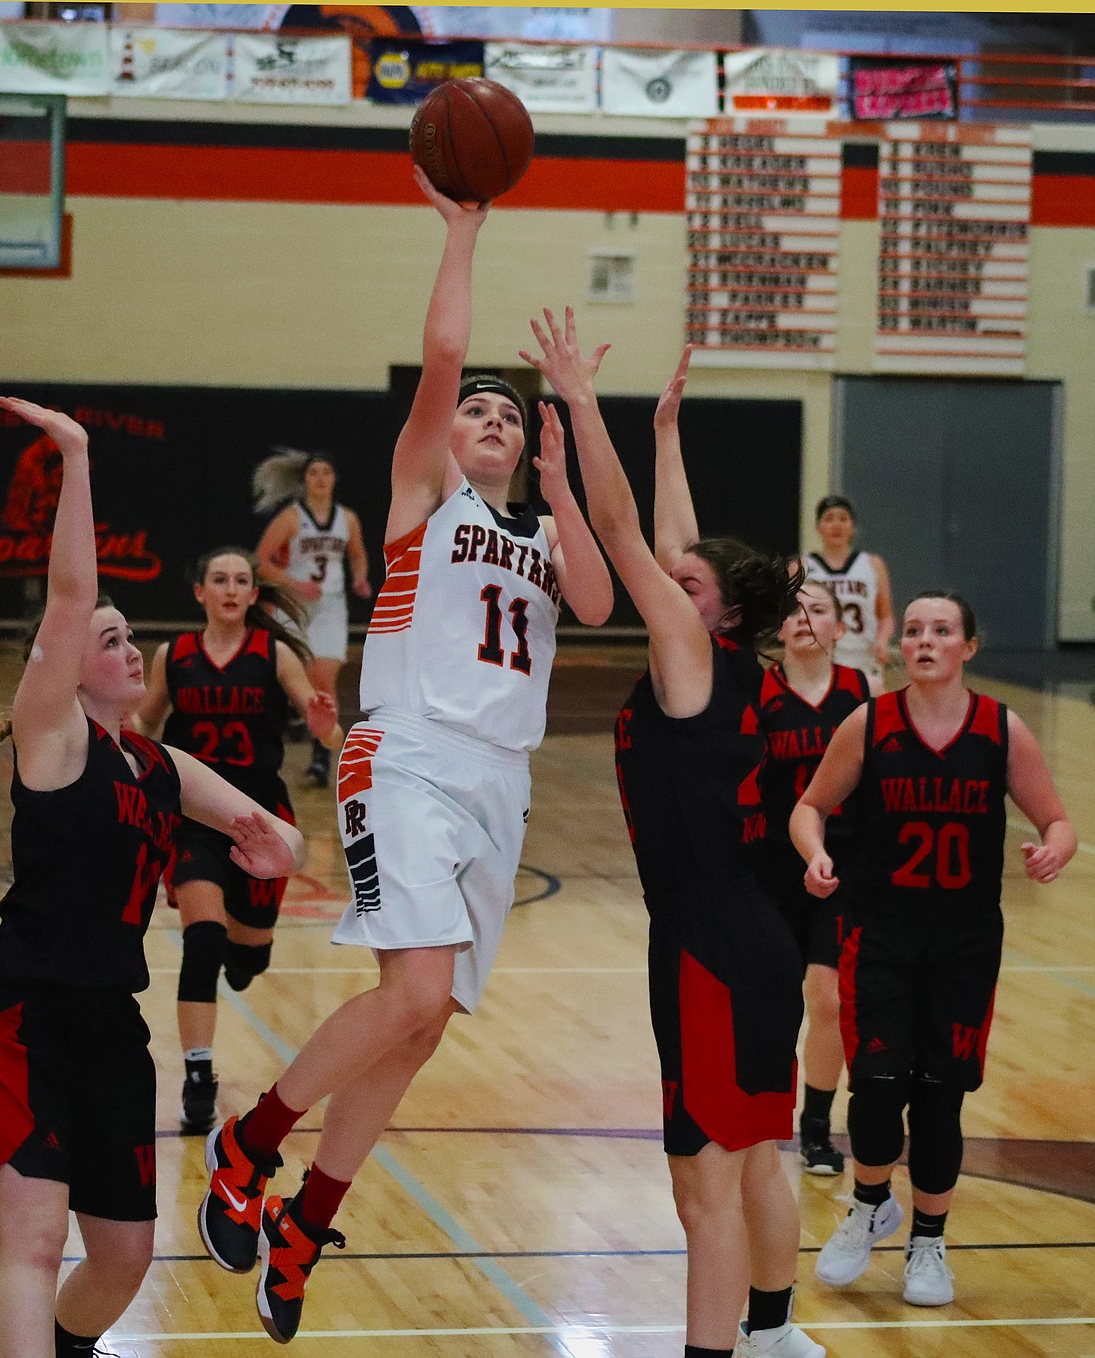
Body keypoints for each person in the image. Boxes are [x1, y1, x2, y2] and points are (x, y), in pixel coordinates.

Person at [197, 169, 614, 1345]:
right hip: (410, 750)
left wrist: (565, 468)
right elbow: (441, 359)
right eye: (478, 411)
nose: (487, 418)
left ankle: (305, 1215)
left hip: (502, 779)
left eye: (506, 414)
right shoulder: (426, 496)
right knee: (417, 990)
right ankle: (250, 1145)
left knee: (419, 1020)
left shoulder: (536, 523)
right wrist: (463, 234)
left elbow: (589, 601)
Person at [0, 399, 306, 1358]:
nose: (128, 646)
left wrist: (276, 845)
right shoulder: (52, 738)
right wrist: (76, 455)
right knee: (33, 1240)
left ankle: (64, 1347)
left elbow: (264, 828)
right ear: (58, 669)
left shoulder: (157, 763)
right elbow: (68, 598)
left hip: (109, 1024)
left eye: (129, 635)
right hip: (22, 1015)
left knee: (128, 1255)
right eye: (109, 640)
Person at [521, 327, 819, 1358]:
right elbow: (677, 538)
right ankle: (776, 1334)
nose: (665, 586)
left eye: (685, 584)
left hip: (710, 950)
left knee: (704, 1191)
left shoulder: (694, 652)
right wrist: (665, 434)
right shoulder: (725, 652)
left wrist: (579, 398)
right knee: (752, 1161)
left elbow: (621, 530)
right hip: (745, 941)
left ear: (720, 611)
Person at [791, 591, 1076, 1307]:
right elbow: (809, 806)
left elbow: (1058, 817)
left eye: (941, 631)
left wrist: (1054, 850)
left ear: (968, 648)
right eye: (913, 630)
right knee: (879, 1090)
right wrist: (815, 853)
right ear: (900, 647)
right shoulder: (871, 723)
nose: (924, 640)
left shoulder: (1002, 732)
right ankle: (868, 1205)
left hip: (964, 942)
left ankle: (929, 1243)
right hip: (879, 932)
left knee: (940, 1102)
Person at [133, 547, 340, 1135]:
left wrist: (325, 727)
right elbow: (147, 719)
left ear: (254, 594)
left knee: (246, 960)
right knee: (203, 940)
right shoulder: (172, 655)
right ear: (200, 591)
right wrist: (123, 740)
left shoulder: (274, 655)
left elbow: (321, 726)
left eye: (241, 580)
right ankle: (199, 1076)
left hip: (261, 821)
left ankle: (249, 952)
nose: (230, 588)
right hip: (196, 818)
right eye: (218, 578)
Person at [755, 581, 871, 1177]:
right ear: (779, 629)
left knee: (827, 999)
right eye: (794, 611)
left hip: (843, 867)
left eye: (818, 611)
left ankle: (817, 1127)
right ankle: (756, 1118)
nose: (804, 619)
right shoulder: (758, 694)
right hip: (772, 868)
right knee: (770, 1001)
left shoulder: (861, 695)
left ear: (838, 630)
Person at [253, 448, 371, 787]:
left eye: (325, 473)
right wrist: (294, 583)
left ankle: (321, 760)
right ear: (304, 480)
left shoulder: (347, 518)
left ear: (334, 479)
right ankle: (293, 715)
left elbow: (358, 554)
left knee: (324, 679)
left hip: (331, 608)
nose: (319, 479)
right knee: (297, 680)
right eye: (313, 473)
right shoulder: (291, 517)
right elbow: (260, 561)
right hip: (295, 606)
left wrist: (360, 578)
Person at [803, 495, 894, 681]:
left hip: (863, 658)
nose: (837, 525)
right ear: (818, 527)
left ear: (853, 526)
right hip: (818, 657)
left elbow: (885, 616)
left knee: (869, 708)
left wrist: (882, 641)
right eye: (829, 519)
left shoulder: (873, 564)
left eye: (843, 519)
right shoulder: (801, 567)